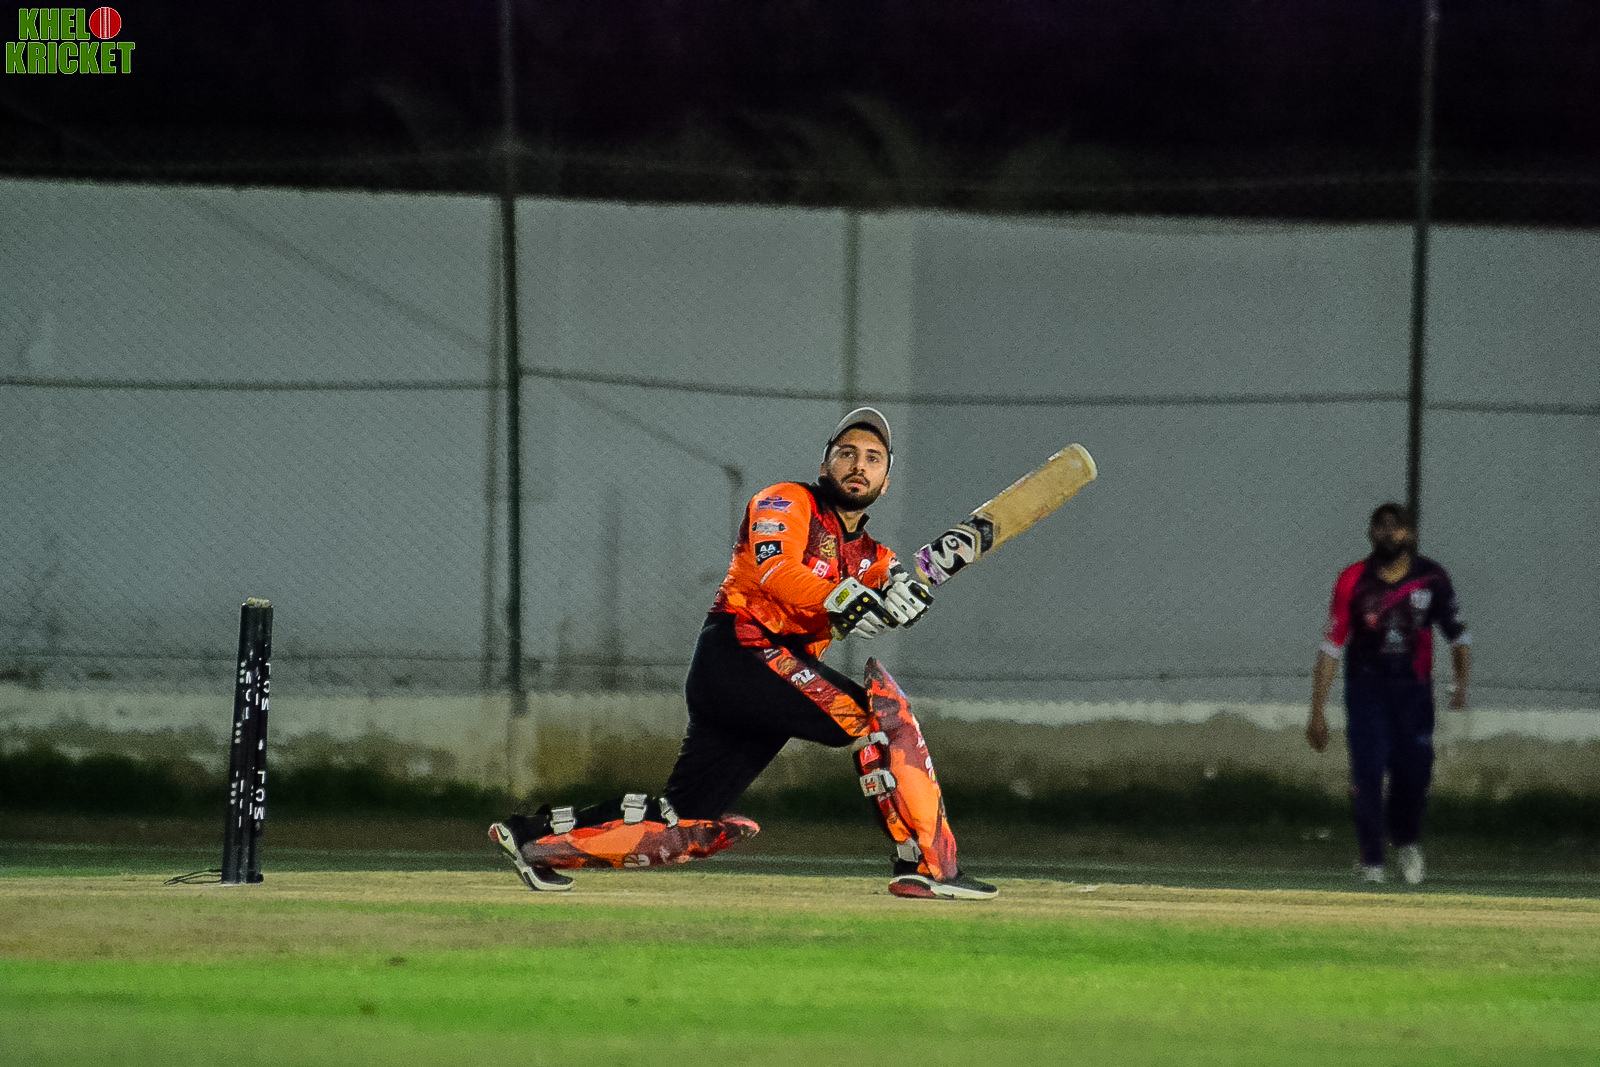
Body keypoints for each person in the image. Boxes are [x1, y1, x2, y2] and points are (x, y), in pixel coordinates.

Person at [489, 407, 998, 899]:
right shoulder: (787, 500)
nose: (858, 465)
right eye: (846, 453)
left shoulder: (876, 558)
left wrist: (905, 603)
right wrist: (843, 597)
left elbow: (887, 596)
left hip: (774, 675)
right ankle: (925, 866)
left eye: (872, 458)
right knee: (878, 720)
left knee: (681, 823)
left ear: (885, 482)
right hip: (741, 651)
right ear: (825, 465)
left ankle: (532, 841)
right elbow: (778, 572)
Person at [1306, 502, 1472, 886]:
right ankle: (1372, 862)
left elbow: (1459, 637)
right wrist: (1317, 710)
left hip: (1414, 693)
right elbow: (1330, 647)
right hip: (1366, 691)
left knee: (1413, 774)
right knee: (1367, 772)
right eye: (1379, 526)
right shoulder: (1353, 580)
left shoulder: (1432, 578)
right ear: (1370, 533)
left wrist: (1460, 685)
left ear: (1409, 534)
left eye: (1395, 526)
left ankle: (1407, 842)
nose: (1387, 533)